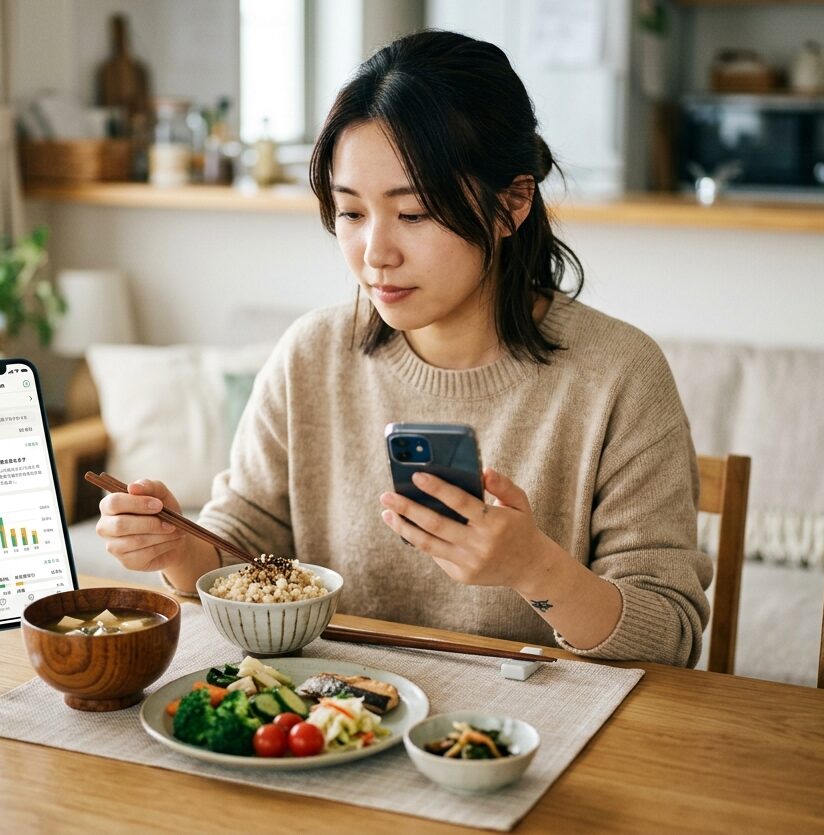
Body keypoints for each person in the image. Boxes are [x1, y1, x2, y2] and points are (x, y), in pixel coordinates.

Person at [96, 30, 712, 667]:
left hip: (532, 721)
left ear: (512, 203)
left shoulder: (620, 374)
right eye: (351, 213)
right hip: (332, 713)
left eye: (413, 214)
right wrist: (176, 550)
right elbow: (242, 546)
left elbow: (669, 637)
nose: (375, 254)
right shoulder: (311, 355)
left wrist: (536, 568)